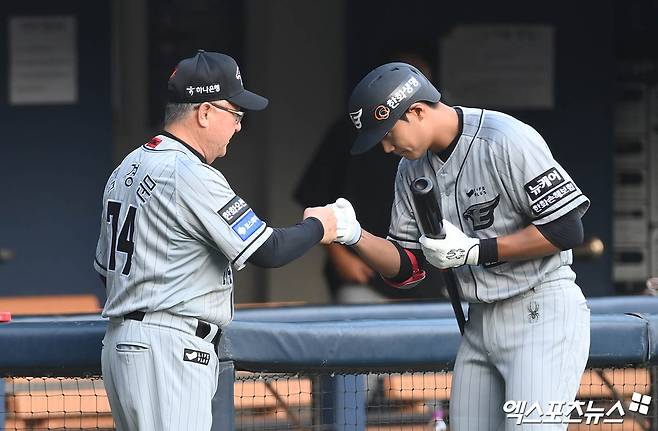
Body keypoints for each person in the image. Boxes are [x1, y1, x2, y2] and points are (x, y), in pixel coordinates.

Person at [330, 62, 590, 430]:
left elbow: (566, 229)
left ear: (417, 111)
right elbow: (409, 269)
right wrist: (355, 235)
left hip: (540, 310)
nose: (386, 147)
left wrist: (475, 251)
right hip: (480, 322)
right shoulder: (410, 169)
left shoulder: (505, 139)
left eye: (388, 134)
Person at [93, 50, 336, 431]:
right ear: (205, 112)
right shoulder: (189, 172)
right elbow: (268, 250)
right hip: (168, 349)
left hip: (130, 344)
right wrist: (322, 225)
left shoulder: (128, 166)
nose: (239, 127)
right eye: (235, 115)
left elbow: (105, 273)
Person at [294, 50, 446, 303]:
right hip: (364, 274)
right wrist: (341, 255)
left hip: (432, 280)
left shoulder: (446, 146)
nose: (387, 148)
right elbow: (316, 199)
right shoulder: (348, 134)